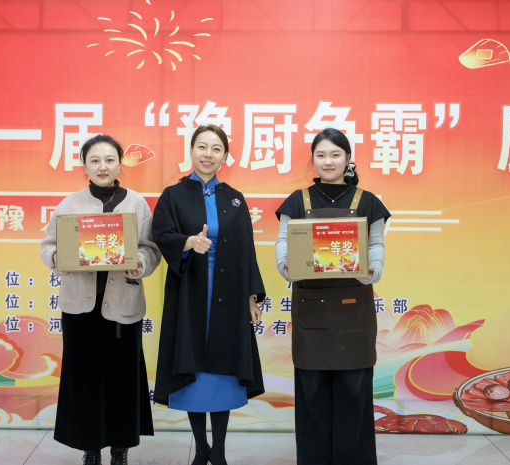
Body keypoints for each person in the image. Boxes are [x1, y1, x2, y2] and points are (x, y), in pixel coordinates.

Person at [40, 134, 161, 465]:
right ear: (84, 165)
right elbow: (48, 245)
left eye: (109, 159)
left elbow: (151, 249)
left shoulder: (136, 203)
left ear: (120, 164)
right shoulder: (69, 205)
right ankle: (89, 448)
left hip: (123, 305)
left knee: (123, 378)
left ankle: (120, 448)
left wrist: (140, 264)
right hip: (80, 308)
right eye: (95, 160)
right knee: (84, 379)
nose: (102, 166)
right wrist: (57, 259)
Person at [151, 124, 266, 465]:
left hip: (229, 295)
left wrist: (251, 297)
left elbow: (247, 249)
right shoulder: (173, 195)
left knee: (222, 371)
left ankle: (219, 451)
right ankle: (201, 448)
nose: (208, 154)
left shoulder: (234, 198)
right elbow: (161, 234)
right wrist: (188, 242)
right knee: (195, 370)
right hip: (191, 293)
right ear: (191, 151)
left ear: (225, 156)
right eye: (202, 147)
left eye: (216, 149)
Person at [275, 128, 390, 465]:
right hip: (311, 312)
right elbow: (283, 241)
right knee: (311, 393)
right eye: (321, 155)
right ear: (313, 159)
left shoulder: (367, 201)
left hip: (354, 313)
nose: (328, 161)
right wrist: (285, 265)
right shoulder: (298, 200)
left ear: (348, 158)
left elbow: (376, 244)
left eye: (335, 154)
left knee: (354, 392)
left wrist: (373, 270)